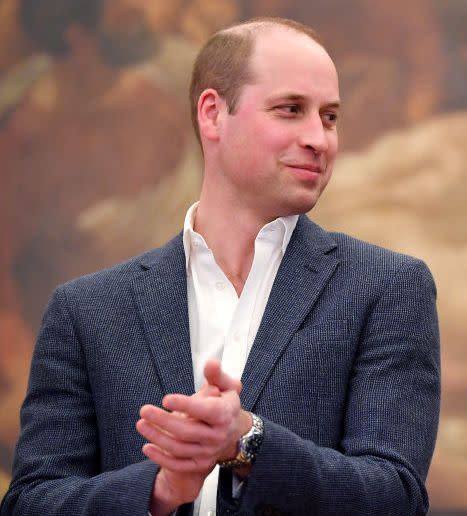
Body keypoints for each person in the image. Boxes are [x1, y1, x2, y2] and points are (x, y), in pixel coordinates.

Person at [1, 16, 440, 516]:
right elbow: (31, 503)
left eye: (331, 117)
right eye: (291, 109)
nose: (320, 138)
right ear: (213, 114)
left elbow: (395, 497)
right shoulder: (86, 309)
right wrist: (160, 489)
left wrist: (247, 442)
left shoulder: (387, 288)